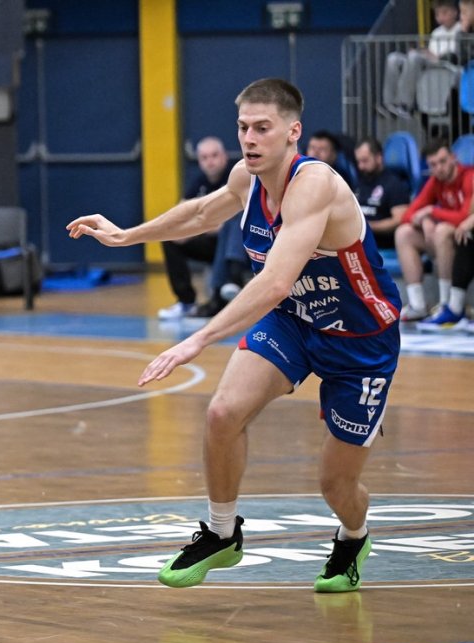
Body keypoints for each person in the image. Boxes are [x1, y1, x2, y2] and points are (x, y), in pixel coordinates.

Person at [66, 78, 401, 593]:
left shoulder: (314, 184)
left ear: (293, 132)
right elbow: (202, 211)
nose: (249, 138)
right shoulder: (246, 177)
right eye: (243, 127)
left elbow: (275, 281)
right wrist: (127, 235)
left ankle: (354, 536)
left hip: (360, 338)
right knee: (222, 413)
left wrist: (197, 338)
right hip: (295, 321)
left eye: (262, 128)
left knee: (336, 484)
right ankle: (222, 534)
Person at [158, 137, 251, 320]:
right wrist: (181, 230)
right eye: (205, 157)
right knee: (171, 240)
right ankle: (186, 302)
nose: (210, 161)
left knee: (232, 224)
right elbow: (181, 212)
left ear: (224, 156)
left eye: (214, 155)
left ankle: (232, 279)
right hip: (212, 243)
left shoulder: (237, 176)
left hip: (242, 245)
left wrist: (198, 227)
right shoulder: (199, 183)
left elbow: (236, 219)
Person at [393, 137, 474, 322]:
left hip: (465, 239)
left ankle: (446, 304)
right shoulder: (435, 181)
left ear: (454, 158)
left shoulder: (469, 176)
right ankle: (417, 305)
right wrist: (425, 220)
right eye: (433, 164)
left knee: (442, 230)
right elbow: (408, 215)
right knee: (403, 233)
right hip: (441, 240)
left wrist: (432, 212)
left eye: (443, 161)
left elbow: (466, 217)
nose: (439, 168)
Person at [382, 0, 462, 118]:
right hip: (429, 62)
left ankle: (405, 104)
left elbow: (453, 55)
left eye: (444, 13)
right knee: (393, 58)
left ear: (455, 12)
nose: (440, 18)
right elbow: (431, 52)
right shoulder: (436, 32)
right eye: (437, 14)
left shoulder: (460, 30)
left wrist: (428, 55)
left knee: (414, 57)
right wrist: (422, 51)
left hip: (445, 66)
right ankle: (389, 104)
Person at [353, 136, 411, 250]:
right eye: (358, 162)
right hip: (357, 243)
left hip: (381, 245)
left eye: (365, 161)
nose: (361, 166)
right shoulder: (360, 182)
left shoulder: (394, 184)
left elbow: (399, 220)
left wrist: (368, 227)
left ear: (379, 158)